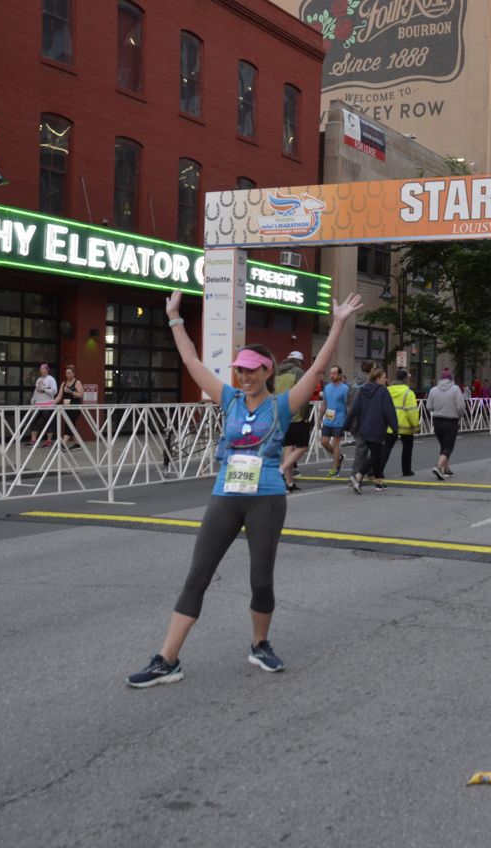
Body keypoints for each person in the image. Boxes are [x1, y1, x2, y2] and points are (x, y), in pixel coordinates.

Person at [126, 290, 363, 688]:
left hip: (266, 497)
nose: (244, 375)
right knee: (197, 576)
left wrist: (338, 323)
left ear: (268, 371)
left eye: (252, 369)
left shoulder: (283, 405)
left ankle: (260, 644)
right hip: (225, 496)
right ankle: (167, 660)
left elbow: (318, 368)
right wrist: (173, 318)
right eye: (240, 369)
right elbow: (191, 361)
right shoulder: (229, 398)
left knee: (261, 579)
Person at [348, 367, 397, 493]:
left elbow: (354, 409)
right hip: (378, 427)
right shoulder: (383, 392)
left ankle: (379, 482)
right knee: (376, 456)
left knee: (376, 454)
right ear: (378, 378)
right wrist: (395, 427)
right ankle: (358, 476)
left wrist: (347, 424)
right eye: (385, 377)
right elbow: (389, 411)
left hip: (363, 427)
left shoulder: (362, 390)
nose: (386, 380)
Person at [275, 351, 309, 492]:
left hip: (280, 415)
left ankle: (289, 483)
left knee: (288, 447)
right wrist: (304, 413)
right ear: (299, 362)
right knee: (302, 447)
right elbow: (304, 393)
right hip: (295, 415)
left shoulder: (276, 373)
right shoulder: (299, 373)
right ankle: (281, 471)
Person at [427, 367, 467, 480]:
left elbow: (428, 406)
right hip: (451, 420)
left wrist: (438, 409)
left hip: (437, 420)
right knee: (448, 446)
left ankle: (447, 469)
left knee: (444, 445)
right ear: (451, 378)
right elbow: (461, 406)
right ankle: (438, 466)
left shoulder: (433, 390)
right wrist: (458, 416)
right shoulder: (455, 389)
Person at [388, 368, 420, 476]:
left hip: (390, 424)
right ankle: (406, 470)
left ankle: (378, 470)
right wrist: (416, 426)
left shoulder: (388, 390)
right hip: (405, 426)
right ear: (405, 379)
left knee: (386, 449)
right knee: (407, 449)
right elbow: (412, 411)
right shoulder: (408, 393)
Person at [320, 366, 349, 477]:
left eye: (334, 373)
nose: (332, 375)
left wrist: (348, 420)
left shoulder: (345, 388)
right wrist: (319, 419)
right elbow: (324, 403)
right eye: (331, 373)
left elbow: (347, 405)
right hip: (328, 419)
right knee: (324, 442)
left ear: (340, 375)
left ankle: (334, 469)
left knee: (335, 443)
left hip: (340, 419)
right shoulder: (327, 387)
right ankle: (339, 457)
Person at [347, 360, 374, 474]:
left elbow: (348, 401)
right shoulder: (370, 383)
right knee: (364, 448)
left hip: (354, 418)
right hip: (366, 419)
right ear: (371, 369)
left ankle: (369, 469)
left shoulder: (353, 383)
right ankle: (356, 473)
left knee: (365, 446)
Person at [27, 363, 58, 447]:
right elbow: (36, 390)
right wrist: (33, 399)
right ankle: (33, 440)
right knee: (33, 421)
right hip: (37, 404)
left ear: (47, 370)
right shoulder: (38, 379)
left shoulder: (51, 379)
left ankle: (48, 440)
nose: (41, 371)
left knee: (48, 422)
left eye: (43, 369)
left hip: (48, 404)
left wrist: (44, 390)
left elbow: (54, 391)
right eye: (40, 369)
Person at [58, 364, 84, 451]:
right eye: (66, 373)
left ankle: (63, 443)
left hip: (75, 408)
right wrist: (51, 403)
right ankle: (78, 444)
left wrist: (70, 391)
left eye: (69, 373)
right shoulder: (63, 384)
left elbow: (80, 395)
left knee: (69, 423)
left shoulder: (77, 382)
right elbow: (59, 396)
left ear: (73, 374)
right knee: (71, 424)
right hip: (66, 407)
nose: (68, 375)